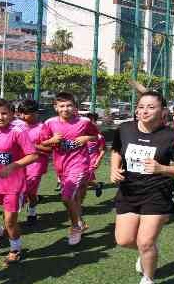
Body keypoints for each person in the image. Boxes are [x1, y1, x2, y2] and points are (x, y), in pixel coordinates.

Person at [111, 90, 174, 284]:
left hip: (158, 193)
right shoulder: (124, 129)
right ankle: (148, 251)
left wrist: (161, 168)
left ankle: (148, 278)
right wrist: (114, 168)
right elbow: (116, 151)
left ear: (163, 111)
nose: (144, 111)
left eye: (151, 107)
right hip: (129, 191)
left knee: (145, 242)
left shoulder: (172, 136)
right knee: (125, 240)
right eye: (141, 106)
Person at [0, 99, 39, 265]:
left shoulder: (17, 132)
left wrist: (13, 166)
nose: (0, 116)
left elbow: (33, 155)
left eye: (4, 113)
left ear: (11, 114)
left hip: (13, 186)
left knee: (10, 222)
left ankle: (15, 249)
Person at [40, 92, 99, 245]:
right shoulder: (50, 123)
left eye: (69, 105)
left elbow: (96, 136)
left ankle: (75, 227)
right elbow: (41, 143)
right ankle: (80, 221)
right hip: (61, 167)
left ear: (74, 107)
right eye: (62, 106)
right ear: (56, 107)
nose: (65, 109)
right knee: (75, 198)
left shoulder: (84, 122)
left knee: (66, 197)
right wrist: (52, 140)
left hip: (79, 165)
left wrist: (86, 138)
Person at [17, 99, 52, 226]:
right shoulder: (17, 126)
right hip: (20, 163)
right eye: (21, 113)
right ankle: (29, 203)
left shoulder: (42, 128)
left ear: (36, 113)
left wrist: (32, 146)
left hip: (36, 164)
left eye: (26, 113)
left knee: (29, 191)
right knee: (20, 189)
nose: (23, 116)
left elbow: (49, 149)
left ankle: (32, 212)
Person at [86, 112, 106, 197]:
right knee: (83, 180)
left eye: (91, 120)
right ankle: (97, 185)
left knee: (84, 178)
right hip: (81, 160)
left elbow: (103, 150)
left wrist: (98, 160)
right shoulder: (82, 134)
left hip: (93, 160)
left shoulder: (99, 137)